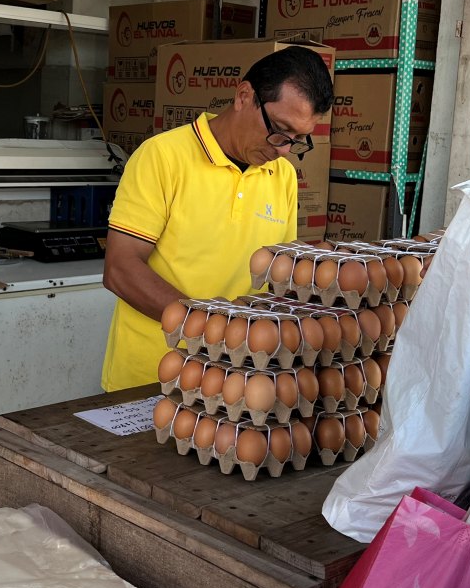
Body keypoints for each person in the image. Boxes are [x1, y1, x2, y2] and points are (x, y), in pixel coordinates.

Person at [100, 46, 334, 391]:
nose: (283, 149)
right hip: (148, 379)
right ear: (243, 96)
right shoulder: (163, 157)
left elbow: (278, 276)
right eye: (280, 131)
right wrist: (213, 328)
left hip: (235, 379)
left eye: (297, 140)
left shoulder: (282, 176)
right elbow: (120, 270)